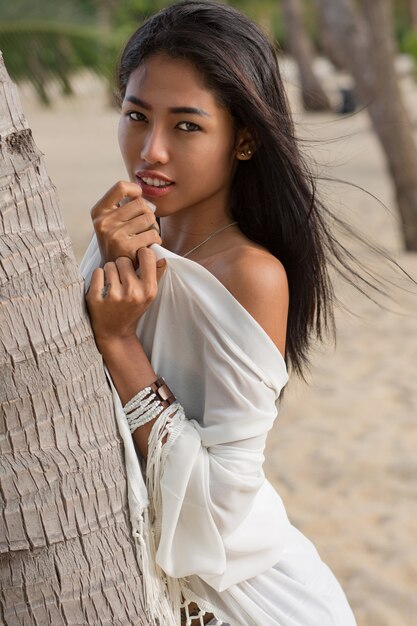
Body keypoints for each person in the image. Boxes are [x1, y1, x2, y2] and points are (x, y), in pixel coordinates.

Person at [80, 1, 358, 624]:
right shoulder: (121, 238)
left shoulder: (251, 275)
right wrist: (109, 259)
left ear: (245, 140)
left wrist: (122, 346)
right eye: (135, 116)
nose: (150, 150)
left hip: (245, 596)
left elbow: (223, 505)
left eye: (186, 126)